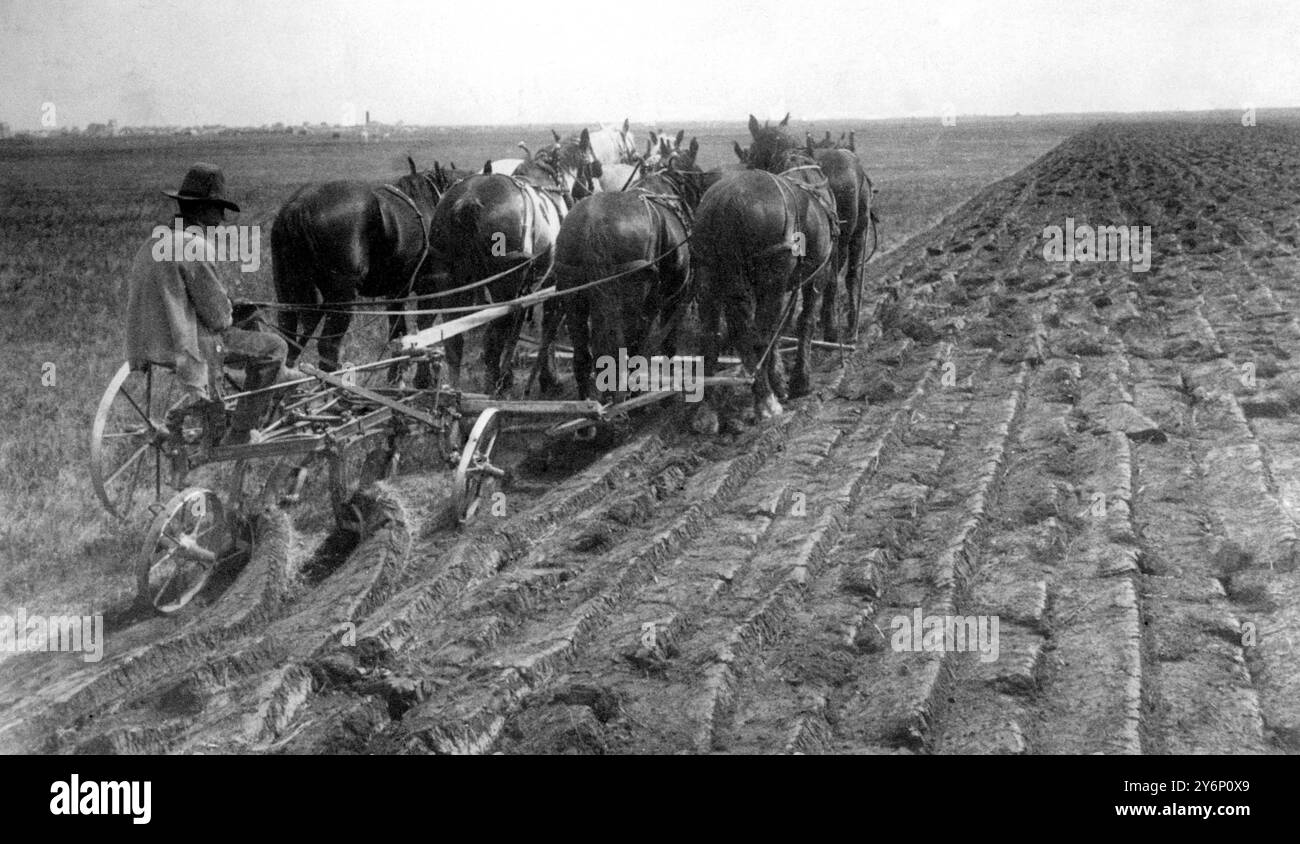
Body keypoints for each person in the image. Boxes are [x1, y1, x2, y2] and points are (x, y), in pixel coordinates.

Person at [125, 162, 298, 445]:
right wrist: (231, 309)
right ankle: (241, 431)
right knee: (275, 347)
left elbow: (178, 293)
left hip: (152, 337)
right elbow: (218, 318)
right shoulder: (195, 245)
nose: (221, 218)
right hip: (191, 343)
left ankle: (239, 393)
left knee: (250, 330)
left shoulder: (156, 241)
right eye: (219, 209)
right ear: (205, 210)